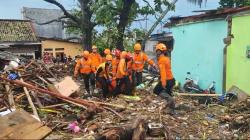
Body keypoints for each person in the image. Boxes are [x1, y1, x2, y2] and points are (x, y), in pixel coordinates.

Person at [153, 43, 175, 115]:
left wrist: (163, 83)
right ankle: (171, 110)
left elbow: (163, 72)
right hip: (171, 79)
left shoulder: (161, 60)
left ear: (159, 51)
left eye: (157, 51)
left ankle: (170, 100)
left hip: (167, 80)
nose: (156, 52)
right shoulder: (167, 58)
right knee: (168, 93)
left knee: (156, 90)